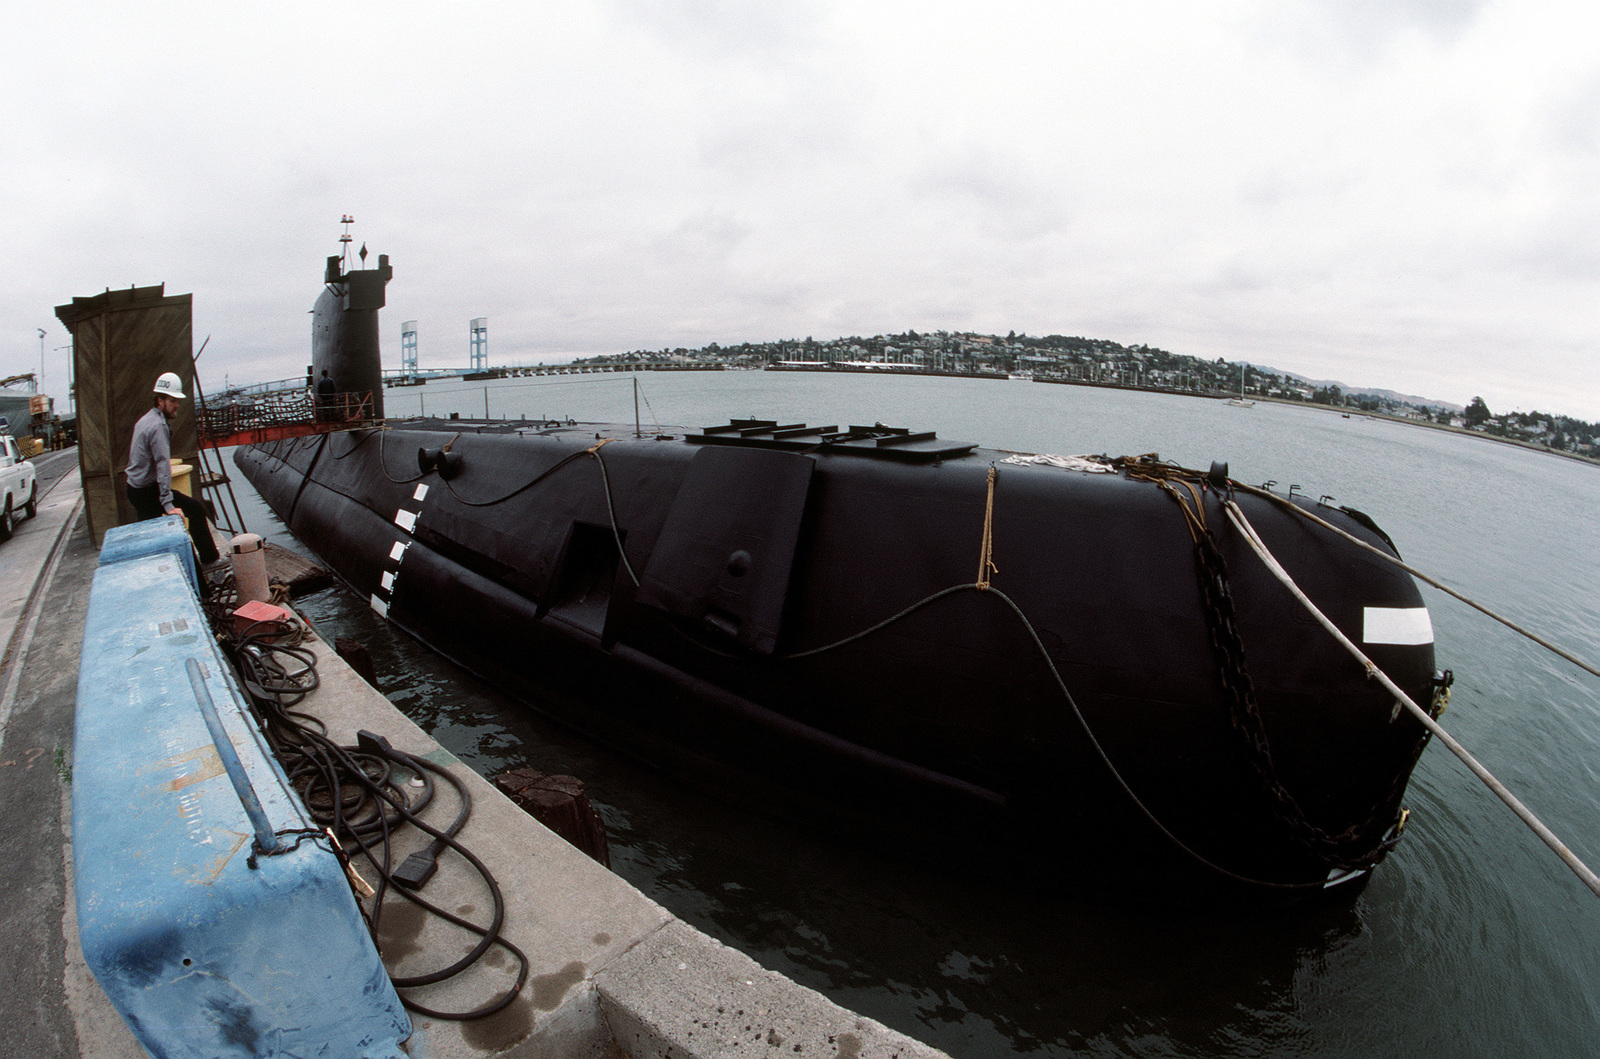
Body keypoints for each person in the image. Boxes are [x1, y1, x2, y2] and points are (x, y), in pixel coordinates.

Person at [126, 371, 221, 567]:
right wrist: (168, 505)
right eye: (172, 400)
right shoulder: (158, 426)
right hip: (144, 491)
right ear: (160, 401)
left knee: (159, 534)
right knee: (191, 510)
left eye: (178, 400)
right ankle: (207, 564)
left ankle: (205, 561)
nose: (177, 404)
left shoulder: (147, 419)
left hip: (137, 489)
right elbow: (162, 465)